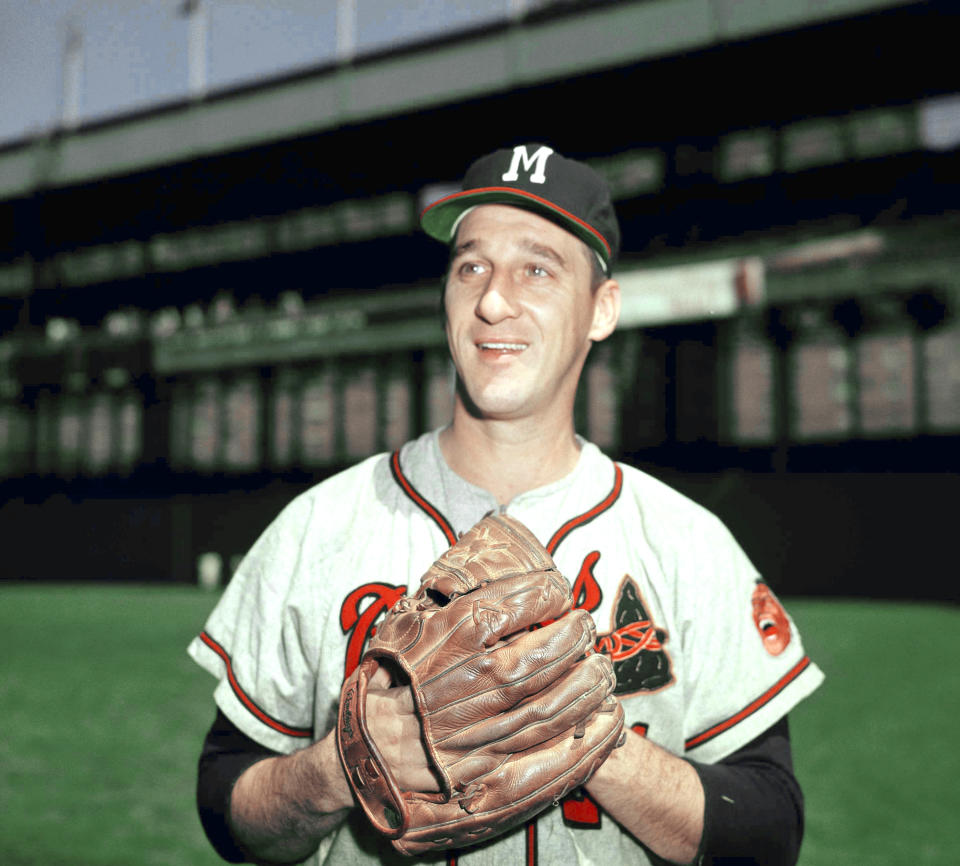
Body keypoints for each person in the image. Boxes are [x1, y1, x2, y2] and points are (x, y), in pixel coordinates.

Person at [189, 143, 824, 866]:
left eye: (537, 269)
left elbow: (770, 829)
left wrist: (583, 739)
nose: (493, 300)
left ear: (602, 309)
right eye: (471, 267)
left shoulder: (688, 541)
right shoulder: (318, 526)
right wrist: (343, 766)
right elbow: (224, 806)